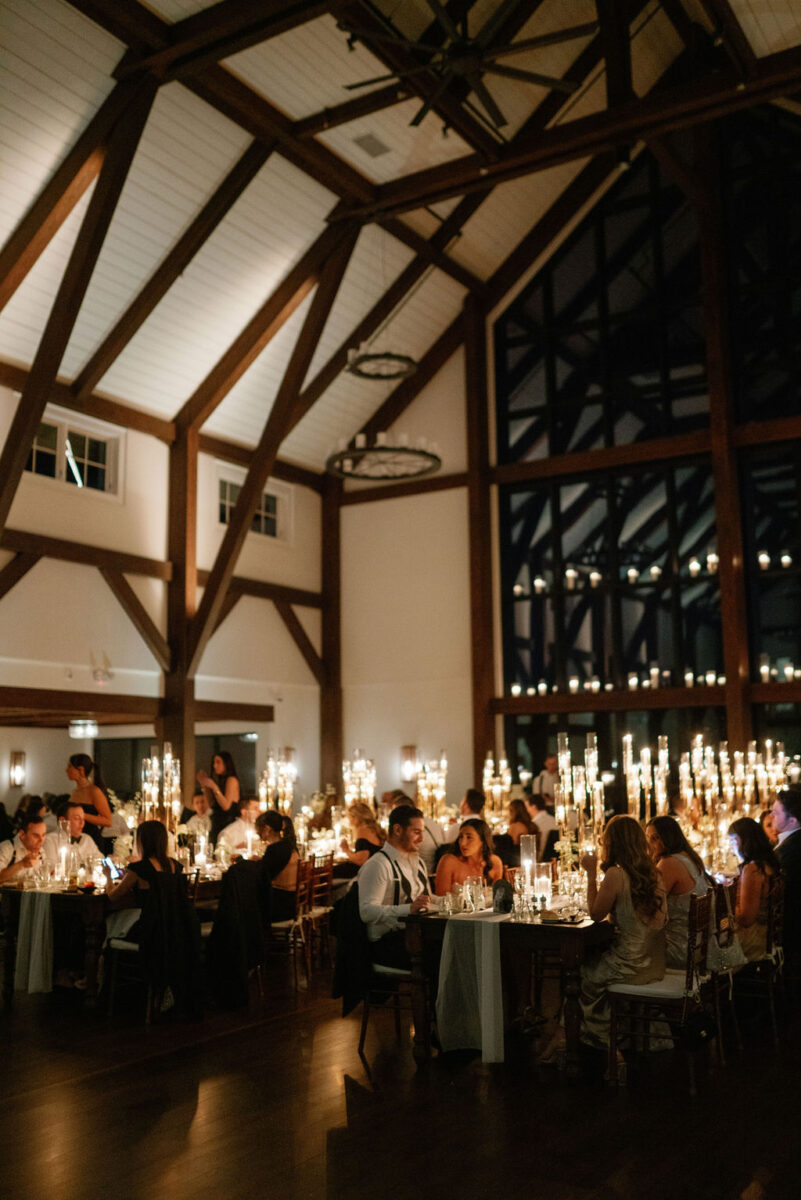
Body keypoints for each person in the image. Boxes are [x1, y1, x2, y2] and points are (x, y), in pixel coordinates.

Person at [578, 816, 666, 1052]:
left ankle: (604, 1042)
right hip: (653, 961)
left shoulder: (616, 875)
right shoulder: (654, 872)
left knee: (584, 974)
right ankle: (621, 1033)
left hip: (629, 963)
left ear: (612, 843)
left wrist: (590, 874)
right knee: (596, 957)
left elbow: (596, 914)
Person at [104, 820, 201, 1017]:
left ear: (142, 842)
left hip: (150, 932)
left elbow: (112, 896)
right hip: (175, 930)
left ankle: (103, 986)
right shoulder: (175, 866)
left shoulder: (139, 868)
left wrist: (108, 876)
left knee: (109, 927)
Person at [357, 805, 434, 969]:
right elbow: (366, 912)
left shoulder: (417, 861)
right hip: (387, 944)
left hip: (414, 935)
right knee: (440, 956)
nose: (422, 839)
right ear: (397, 830)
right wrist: (408, 909)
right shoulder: (378, 864)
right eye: (416, 832)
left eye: (422, 832)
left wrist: (455, 900)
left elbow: (427, 898)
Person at [645, 815, 708, 969]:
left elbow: (649, 906)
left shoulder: (668, 863)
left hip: (679, 949)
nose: (651, 845)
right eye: (648, 839)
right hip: (698, 945)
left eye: (656, 838)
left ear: (669, 837)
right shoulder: (688, 856)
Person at [727, 817, 780, 962]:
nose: (731, 847)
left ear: (745, 841)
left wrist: (728, 899)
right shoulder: (767, 863)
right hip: (765, 935)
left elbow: (746, 918)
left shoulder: (753, 869)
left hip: (752, 940)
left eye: (733, 841)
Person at [772, 787, 801, 997]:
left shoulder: (790, 852)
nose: (771, 816)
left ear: (792, 821)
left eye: (776, 813)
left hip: (790, 928)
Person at [434, 819, 503, 895]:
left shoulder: (495, 862)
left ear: (483, 840)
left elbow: (497, 898)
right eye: (461, 837)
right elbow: (441, 898)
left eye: (469, 837)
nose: (462, 843)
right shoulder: (449, 861)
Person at [256, 810, 299, 921]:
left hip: (278, 907)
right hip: (291, 903)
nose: (257, 834)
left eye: (258, 830)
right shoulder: (288, 845)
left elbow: (262, 877)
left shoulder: (275, 849)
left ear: (266, 829)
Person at [66, 754, 112, 849]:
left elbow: (108, 821)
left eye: (69, 766)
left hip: (91, 839)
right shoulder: (75, 791)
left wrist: (82, 815)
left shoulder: (94, 791)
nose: (66, 770)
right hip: (75, 837)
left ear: (80, 770)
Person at [196, 751, 240, 844]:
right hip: (216, 823)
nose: (214, 766)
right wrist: (204, 786)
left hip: (227, 824)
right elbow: (210, 804)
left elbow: (226, 806)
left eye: (218, 762)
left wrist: (214, 787)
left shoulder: (231, 780)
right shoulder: (220, 782)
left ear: (226, 763)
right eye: (214, 763)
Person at [42, 804, 96, 871]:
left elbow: (100, 860)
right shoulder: (50, 840)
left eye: (83, 819)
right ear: (62, 820)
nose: (82, 823)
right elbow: (51, 868)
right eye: (77, 818)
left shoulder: (87, 839)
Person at [0, 811, 47, 883]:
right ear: (22, 834)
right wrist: (21, 864)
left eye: (43, 835)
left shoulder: (41, 852)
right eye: (36, 836)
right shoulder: (6, 848)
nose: (41, 840)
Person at [339, 800, 385, 869]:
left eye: (349, 817)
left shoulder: (362, 830)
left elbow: (361, 861)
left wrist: (346, 850)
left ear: (356, 818)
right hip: (378, 867)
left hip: (369, 871)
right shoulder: (374, 828)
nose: (348, 820)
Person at [527, 792, 558, 860]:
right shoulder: (555, 820)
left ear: (534, 807)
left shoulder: (534, 825)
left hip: (540, 859)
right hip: (556, 858)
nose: (527, 810)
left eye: (527, 807)